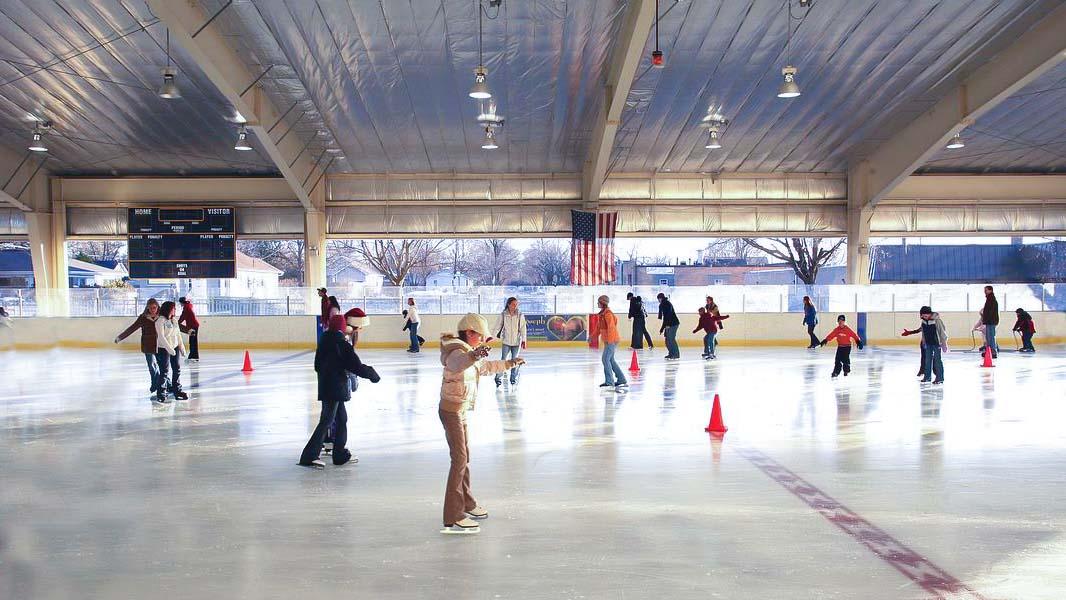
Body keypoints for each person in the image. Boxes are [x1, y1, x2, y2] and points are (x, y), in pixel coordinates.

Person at [438, 313, 524, 534]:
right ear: (469, 332)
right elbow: (457, 364)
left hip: (460, 410)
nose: (482, 339)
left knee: (464, 457)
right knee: (459, 459)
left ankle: (467, 502)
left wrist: (510, 363)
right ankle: (454, 515)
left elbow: (485, 367)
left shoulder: (468, 350)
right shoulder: (455, 351)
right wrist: (474, 355)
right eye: (480, 335)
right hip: (451, 411)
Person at [299, 314, 380, 469]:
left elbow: (317, 366)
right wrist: (372, 374)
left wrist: (328, 374)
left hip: (327, 386)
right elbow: (355, 366)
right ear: (343, 327)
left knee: (341, 419)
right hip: (336, 388)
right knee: (327, 421)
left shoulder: (324, 341)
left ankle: (340, 454)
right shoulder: (341, 344)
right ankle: (309, 456)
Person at [115, 298, 163, 394]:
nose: (152, 310)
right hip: (148, 345)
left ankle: (163, 384)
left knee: (162, 366)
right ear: (147, 308)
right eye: (150, 308)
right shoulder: (143, 317)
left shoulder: (162, 317)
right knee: (152, 366)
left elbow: (173, 328)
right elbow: (132, 328)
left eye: (154, 307)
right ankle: (154, 383)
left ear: (158, 307)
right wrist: (120, 337)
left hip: (161, 344)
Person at [902, 306, 947, 384]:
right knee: (927, 360)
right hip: (928, 344)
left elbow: (942, 332)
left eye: (926, 315)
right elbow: (921, 330)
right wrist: (910, 333)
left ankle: (940, 378)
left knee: (937, 360)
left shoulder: (937, 321)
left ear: (930, 314)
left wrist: (944, 343)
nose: (924, 317)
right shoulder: (924, 321)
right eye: (923, 315)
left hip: (937, 344)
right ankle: (927, 377)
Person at [154, 301, 189, 403]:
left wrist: (182, 348)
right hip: (163, 349)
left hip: (174, 347)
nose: (175, 310)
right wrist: (169, 349)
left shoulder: (174, 320)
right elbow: (161, 337)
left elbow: (178, 335)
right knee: (164, 371)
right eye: (174, 308)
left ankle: (177, 390)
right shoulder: (160, 321)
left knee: (177, 369)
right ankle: (161, 393)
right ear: (168, 309)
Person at [593, 295, 627, 391]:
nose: (597, 303)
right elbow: (598, 328)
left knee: (605, 359)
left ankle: (609, 382)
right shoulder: (602, 314)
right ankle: (621, 379)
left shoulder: (608, 314)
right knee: (611, 360)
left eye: (599, 302)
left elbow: (611, 328)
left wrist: (610, 341)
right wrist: (592, 337)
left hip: (611, 340)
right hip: (608, 340)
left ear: (602, 303)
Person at [492, 297, 527, 388]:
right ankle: (498, 377)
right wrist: (492, 336)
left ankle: (513, 378)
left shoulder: (520, 315)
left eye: (516, 304)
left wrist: (524, 340)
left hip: (516, 342)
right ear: (508, 304)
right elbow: (497, 326)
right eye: (513, 304)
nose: (515, 306)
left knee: (514, 360)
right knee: (503, 359)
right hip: (506, 341)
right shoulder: (503, 315)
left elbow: (523, 328)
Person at [657, 293, 680, 360]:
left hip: (673, 324)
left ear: (661, 298)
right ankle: (671, 353)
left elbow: (669, 315)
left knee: (671, 339)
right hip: (669, 324)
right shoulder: (663, 304)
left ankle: (676, 354)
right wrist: (662, 328)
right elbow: (665, 318)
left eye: (658, 299)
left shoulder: (667, 304)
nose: (658, 300)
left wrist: (668, 325)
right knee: (667, 340)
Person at [177, 297, 200, 363]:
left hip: (193, 326)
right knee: (193, 341)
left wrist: (177, 323)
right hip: (193, 326)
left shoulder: (186, 308)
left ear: (181, 302)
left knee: (192, 342)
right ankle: (194, 357)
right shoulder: (188, 306)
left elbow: (182, 317)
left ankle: (192, 357)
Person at [981, 285, 999, 359]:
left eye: (986, 290)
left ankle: (993, 351)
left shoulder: (991, 299)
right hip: (990, 321)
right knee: (989, 337)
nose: (984, 291)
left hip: (991, 321)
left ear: (990, 290)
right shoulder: (989, 298)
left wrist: (986, 318)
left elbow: (990, 311)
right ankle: (989, 351)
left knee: (990, 337)